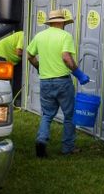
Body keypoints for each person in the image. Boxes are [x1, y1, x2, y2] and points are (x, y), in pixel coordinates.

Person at [26, 9, 89, 158]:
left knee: (47, 114)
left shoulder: (40, 36)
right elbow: (66, 57)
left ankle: (41, 140)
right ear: (62, 23)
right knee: (69, 115)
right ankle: (68, 148)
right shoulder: (65, 36)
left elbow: (29, 55)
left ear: (51, 22)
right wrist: (78, 73)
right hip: (62, 81)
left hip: (45, 81)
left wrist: (39, 67)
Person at [0, 30, 24, 106]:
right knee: (3, 81)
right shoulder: (23, 35)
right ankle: (1, 103)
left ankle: (13, 102)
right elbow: (19, 52)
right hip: (1, 54)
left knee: (15, 80)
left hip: (10, 58)